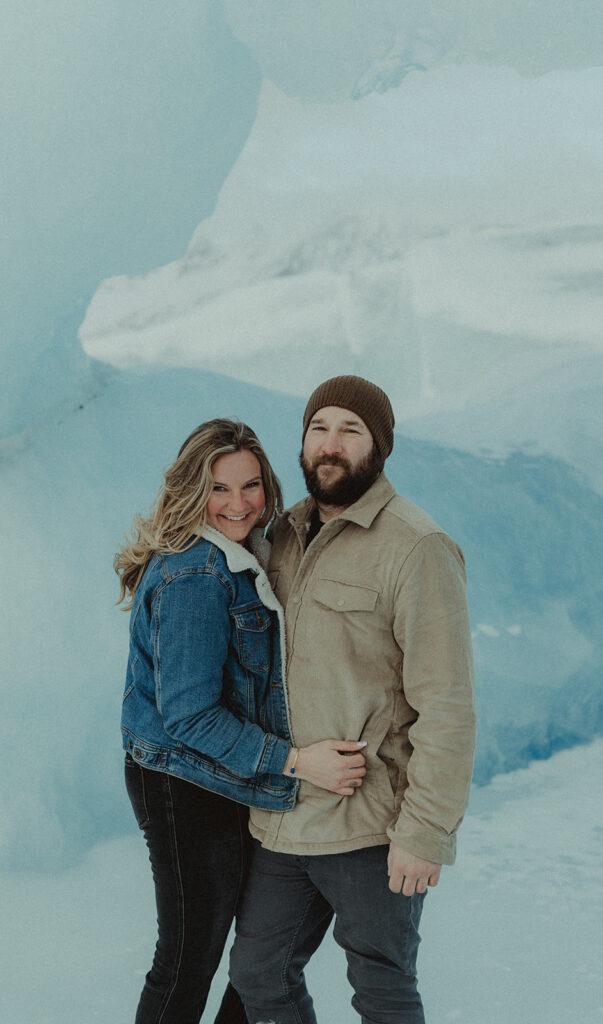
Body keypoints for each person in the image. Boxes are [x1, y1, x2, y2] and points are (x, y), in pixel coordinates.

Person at [229, 377, 476, 1024]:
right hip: (284, 819)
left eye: (350, 430)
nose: (330, 444)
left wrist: (425, 832)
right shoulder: (280, 536)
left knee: (382, 991)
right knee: (258, 973)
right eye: (318, 428)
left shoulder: (417, 548)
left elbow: (446, 704)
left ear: (379, 447)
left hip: (371, 824)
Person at [115, 418, 368, 1024]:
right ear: (190, 490)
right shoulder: (196, 574)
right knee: (189, 956)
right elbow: (190, 716)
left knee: (256, 956)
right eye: (219, 488)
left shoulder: (245, 552)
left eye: (250, 485)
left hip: (227, 775)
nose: (238, 503)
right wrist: (298, 761)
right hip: (185, 785)